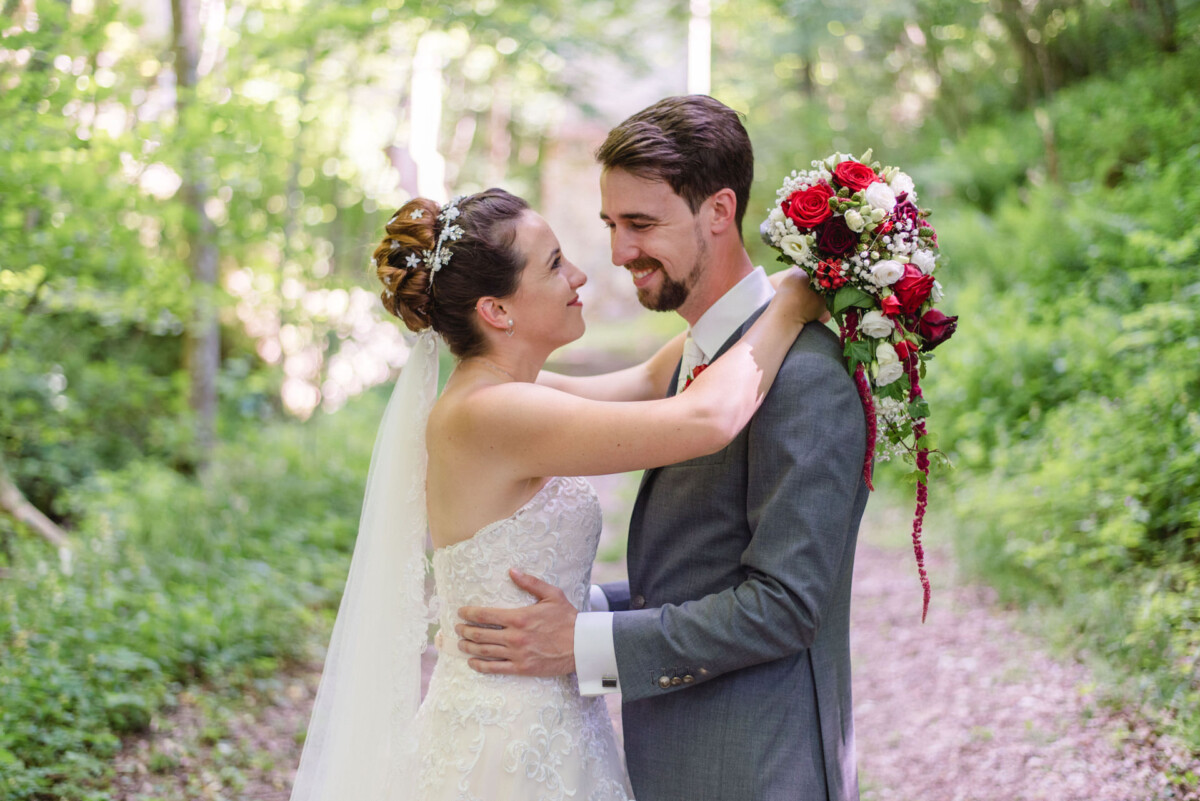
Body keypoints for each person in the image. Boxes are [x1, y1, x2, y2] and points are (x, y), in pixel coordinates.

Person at [287, 187, 827, 801]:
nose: (579, 275)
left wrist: (775, 284)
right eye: (552, 264)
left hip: (552, 715)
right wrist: (790, 309)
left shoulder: (509, 391)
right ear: (496, 310)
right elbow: (703, 420)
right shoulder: (494, 413)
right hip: (507, 742)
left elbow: (654, 381)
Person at [456, 96, 871, 801]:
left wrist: (582, 641)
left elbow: (784, 604)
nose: (618, 254)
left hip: (758, 767)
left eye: (641, 224)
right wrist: (572, 608)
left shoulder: (802, 377)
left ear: (718, 209)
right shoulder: (703, 355)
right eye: (612, 225)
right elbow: (697, 570)